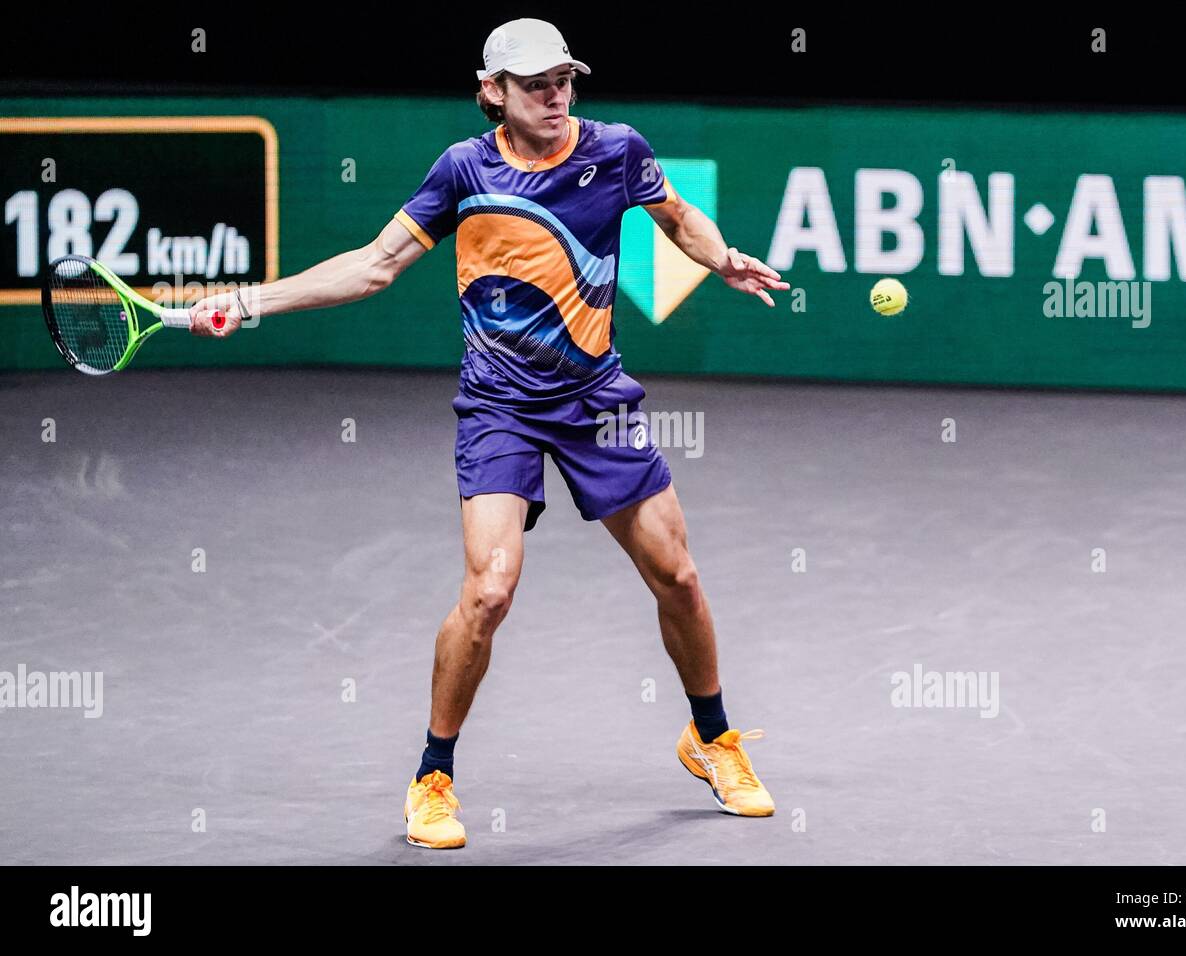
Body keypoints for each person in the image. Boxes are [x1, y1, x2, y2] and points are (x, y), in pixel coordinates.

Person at [190, 17, 790, 849]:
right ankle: (432, 777)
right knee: (489, 591)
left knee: (679, 575)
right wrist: (253, 302)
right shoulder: (462, 171)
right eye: (536, 83)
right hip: (499, 407)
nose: (555, 95)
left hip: (595, 399)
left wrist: (720, 257)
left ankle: (711, 738)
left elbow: (679, 216)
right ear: (492, 92)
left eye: (564, 80)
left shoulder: (615, 150)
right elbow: (374, 265)